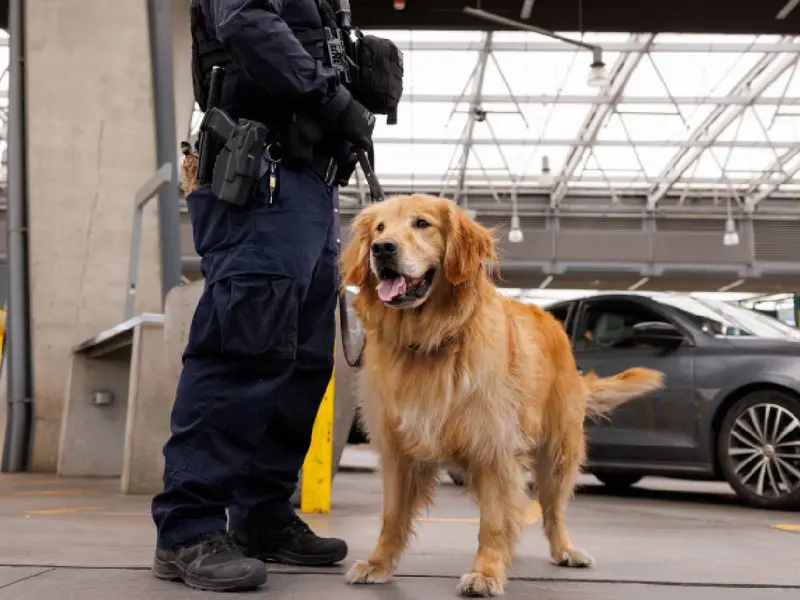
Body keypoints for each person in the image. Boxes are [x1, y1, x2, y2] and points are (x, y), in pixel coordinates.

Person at [150, 0, 377, 592]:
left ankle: (261, 514)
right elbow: (246, 22)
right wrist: (333, 101)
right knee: (240, 355)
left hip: (307, 187)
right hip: (261, 184)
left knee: (302, 362)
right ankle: (188, 528)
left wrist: (342, 112)